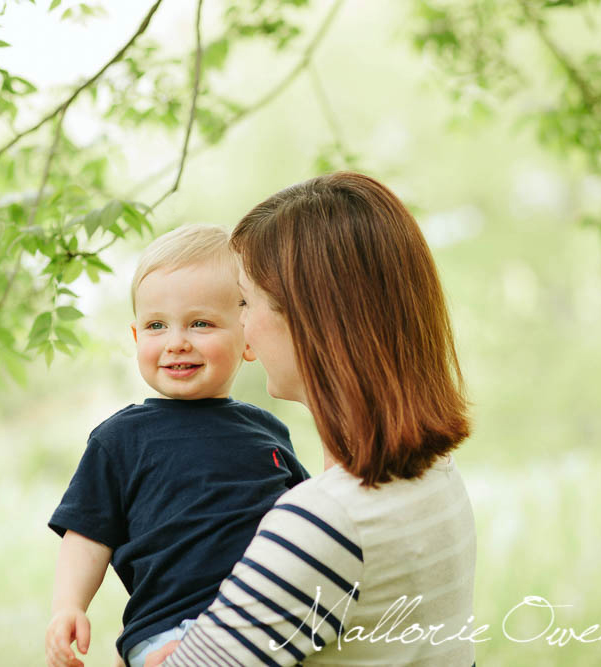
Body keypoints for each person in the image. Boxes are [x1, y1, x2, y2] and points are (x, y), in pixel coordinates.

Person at [149, 172, 477, 666]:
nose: (239, 323)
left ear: (310, 322)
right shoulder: (436, 476)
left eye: (245, 301)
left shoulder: (326, 522)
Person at [45, 224, 310, 667]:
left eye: (200, 323)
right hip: (169, 627)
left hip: (260, 621)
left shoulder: (267, 432)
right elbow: (87, 533)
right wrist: (69, 606)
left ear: (248, 337)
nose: (176, 342)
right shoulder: (120, 439)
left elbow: (305, 521)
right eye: (156, 326)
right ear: (135, 338)